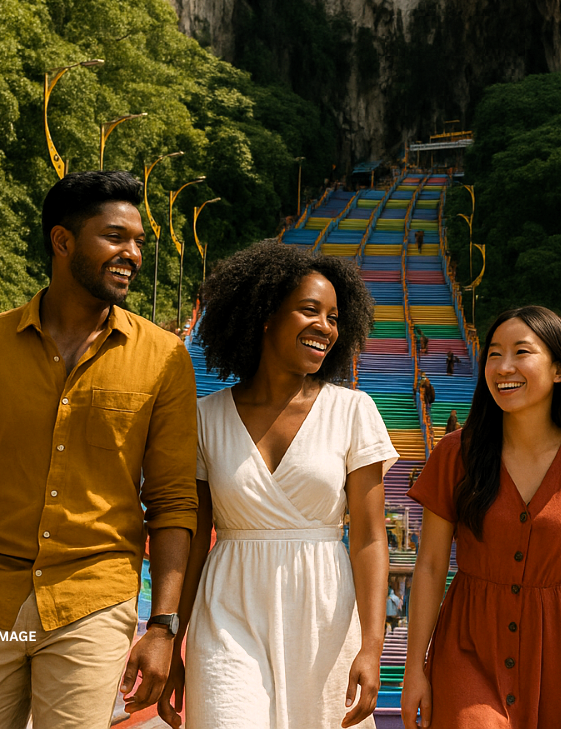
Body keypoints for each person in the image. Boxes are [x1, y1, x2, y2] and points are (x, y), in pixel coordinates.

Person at [0, 171, 198, 728]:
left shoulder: (163, 358)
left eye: (138, 241)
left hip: (94, 595)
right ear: (63, 241)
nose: (131, 253)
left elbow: (173, 500)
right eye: (115, 237)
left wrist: (162, 626)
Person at [159, 241, 397, 729]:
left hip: (324, 616)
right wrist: (171, 639)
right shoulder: (206, 418)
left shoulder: (353, 412)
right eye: (310, 310)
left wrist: (372, 646)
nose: (326, 327)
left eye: (334, 317)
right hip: (228, 610)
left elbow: (371, 538)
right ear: (265, 315)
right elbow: (194, 538)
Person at [402, 305, 561, 729]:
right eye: (493, 354)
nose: (503, 367)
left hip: (559, 648)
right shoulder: (457, 454)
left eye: (520, 352)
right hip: (468, 641)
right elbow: (432, 565)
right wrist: (414, 667)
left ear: (559, 370)